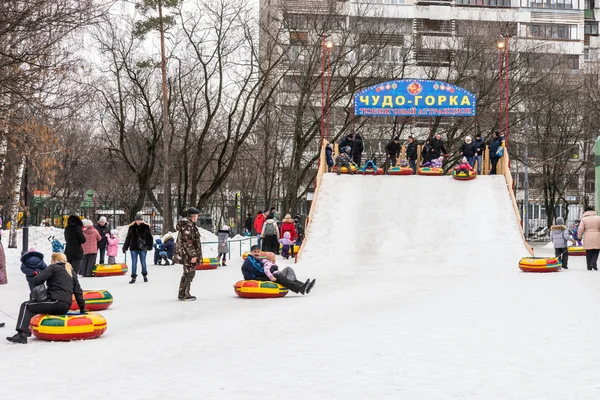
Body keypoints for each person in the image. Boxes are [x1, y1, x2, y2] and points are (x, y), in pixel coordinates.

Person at [6, 252, 85, 344]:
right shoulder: (71, 271)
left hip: (55, 301)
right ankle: (27, 330)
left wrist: (40, 274)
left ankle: (21, 334)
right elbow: (78, 291)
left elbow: (37, 280)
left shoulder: (53, 267)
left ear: (54, 260)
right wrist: (82, 308)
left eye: (51, 260)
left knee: (26, 305)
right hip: (65, 305)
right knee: (34, 304)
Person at [173, 207, 203, 301]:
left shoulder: (190, 225)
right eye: (196, 216)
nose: (197, 217)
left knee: (187, 273)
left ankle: (183, 293)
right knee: (189, 273)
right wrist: (193, 255)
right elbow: (188, 243)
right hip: (188, 255)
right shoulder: (188, 226)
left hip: (187, 254)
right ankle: (184, 294)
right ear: (193, 216)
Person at [123, 214, 154, 284]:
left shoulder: (146, 227)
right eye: (138, 220)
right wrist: (125, 247)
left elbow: (149, 237)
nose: (139, 221)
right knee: (134, 262)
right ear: (135, 220)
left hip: (142, 248)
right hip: (133, 247)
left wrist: (149, 246)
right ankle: (133, 277)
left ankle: (144, 275)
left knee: (143, 262)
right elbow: (128, 238)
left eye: (140, 220)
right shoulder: (131, 227)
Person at [578, 207, 600, 271]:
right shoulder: (598, 218)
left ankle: (589, 266)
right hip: (597, 236)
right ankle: (593, 263)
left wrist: (579, 237)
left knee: (588, 252)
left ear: (585, 211)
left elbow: (580, 229)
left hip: (587, 236)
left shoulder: (584, 219)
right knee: (596, 250)